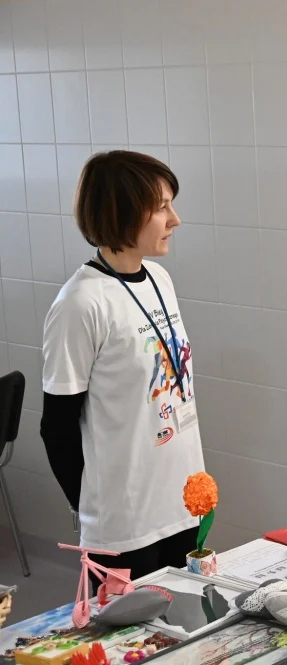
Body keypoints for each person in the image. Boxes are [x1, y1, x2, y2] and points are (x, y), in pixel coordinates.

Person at [41, 151, 206, 581]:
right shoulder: (80, 303)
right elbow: (56, 426)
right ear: (122, 212)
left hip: (182, 505)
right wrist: (94, 507)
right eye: (161, 207)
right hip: (125, 525)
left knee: (188, 637)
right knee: (129, 645)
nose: (175, 219)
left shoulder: (158, 279)